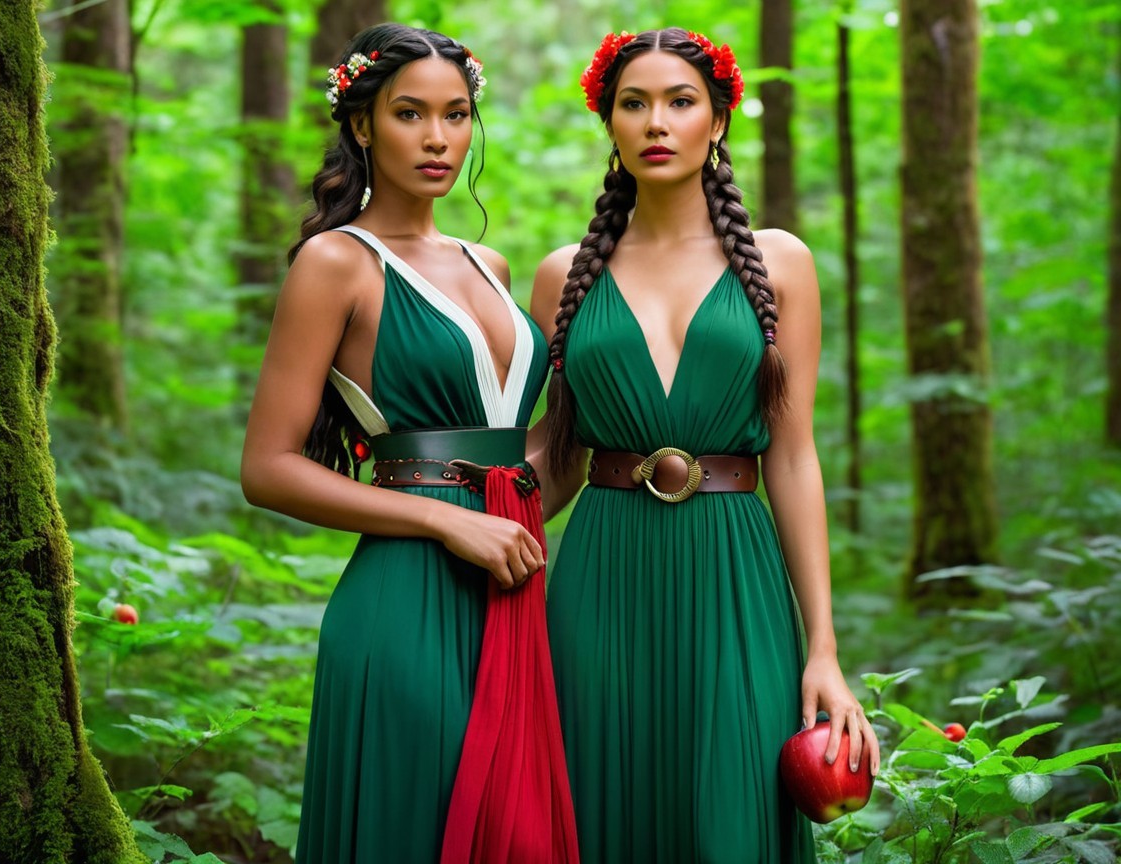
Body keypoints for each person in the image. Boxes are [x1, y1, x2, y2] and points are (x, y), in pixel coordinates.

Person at [531, 28, 881, 862]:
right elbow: (556, 462)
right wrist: (440, 515)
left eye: (680, 102)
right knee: (599, 802)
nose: (657, 121)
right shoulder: (561, 274)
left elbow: (792, 458)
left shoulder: (781, 264)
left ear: (717, 120)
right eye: (634, 103)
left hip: (737, 572)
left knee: (731, 809)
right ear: (609, 123)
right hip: (599, 580)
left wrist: (823, 647)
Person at [240, 23, 577, 863]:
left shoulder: (492, 265)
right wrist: (444, 521)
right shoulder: (336, 263)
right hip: (406, 602)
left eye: (456, 115)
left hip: (514, 587)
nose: (437, 139)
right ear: (362, 125)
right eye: (409, 114)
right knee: (415, 827)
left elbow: (524, 455)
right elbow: (268, 469)